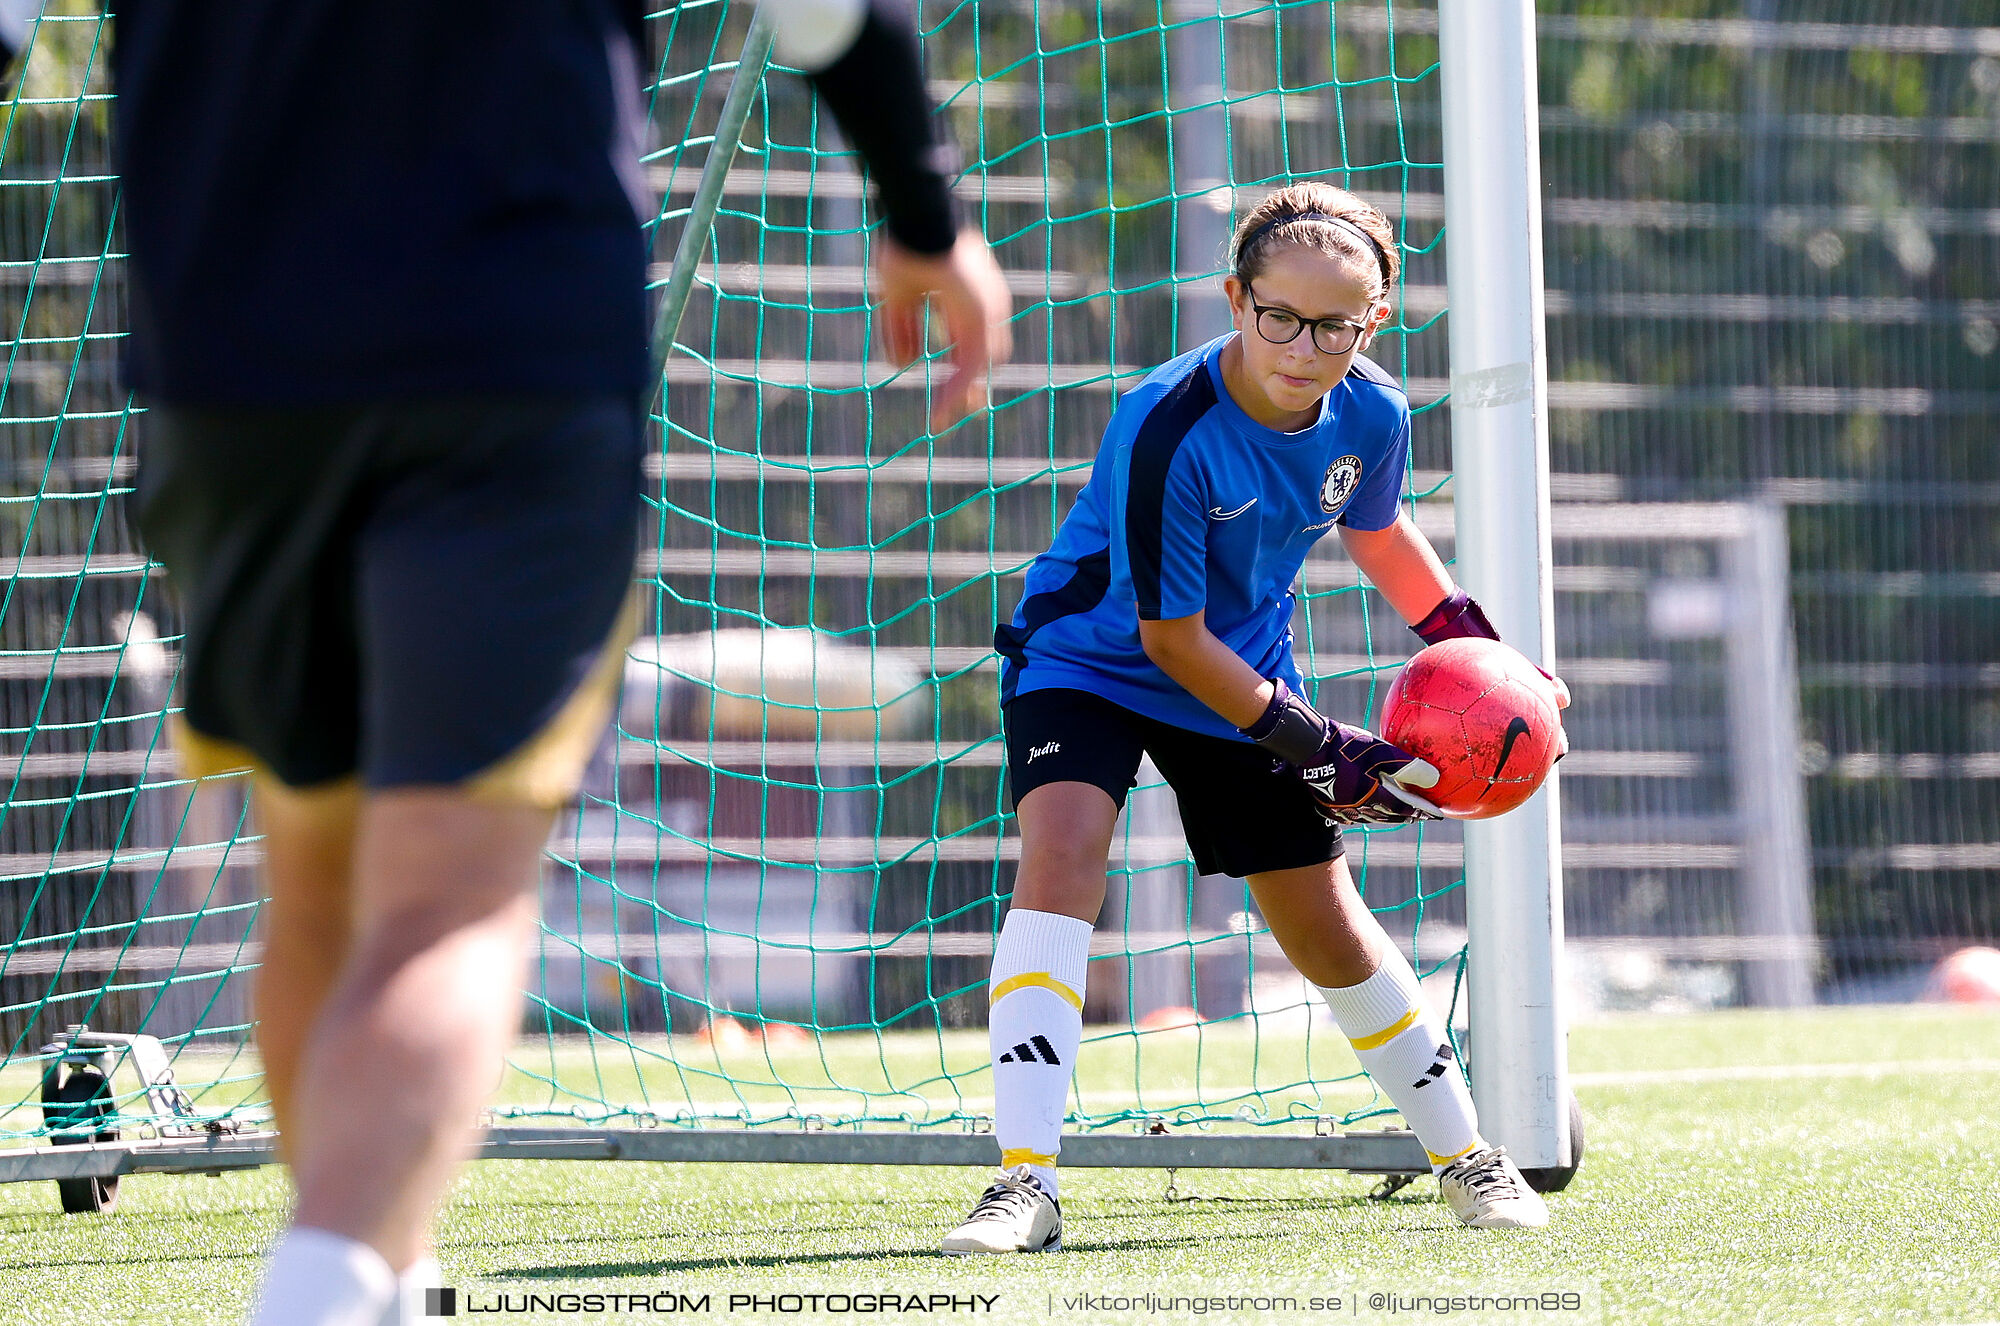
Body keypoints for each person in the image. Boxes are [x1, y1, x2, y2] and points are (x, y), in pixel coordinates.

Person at [109, 2, 1010, 1322]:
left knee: (313, 885)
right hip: (506, 367)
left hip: (230, 375)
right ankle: (317, 1290)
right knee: (445, 904)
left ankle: (387, 1279)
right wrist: (923, 210)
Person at [942, 181, 1568, 1255]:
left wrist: (1487, 655)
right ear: (1236, 298)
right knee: (1061, 856)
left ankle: (1466, 1158)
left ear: (1373, 318)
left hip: (1240, 673)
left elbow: (1378, 536)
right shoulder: (1164, 425)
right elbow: (1166, 641)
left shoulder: (1373, 411)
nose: (1302, 343)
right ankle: (1021, 1187)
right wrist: (1319, 746)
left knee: (1318, 921)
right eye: (1277, 314)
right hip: (1090, 660)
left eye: (1334, 323)